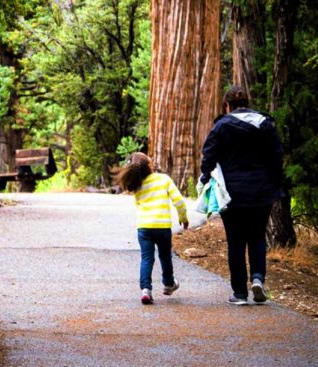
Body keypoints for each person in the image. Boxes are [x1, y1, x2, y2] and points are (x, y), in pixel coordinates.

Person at [199, 86, 283, 305]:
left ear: (227, 106)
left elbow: (208, 155)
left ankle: (239, 293)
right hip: (262, 191)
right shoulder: (265, 124)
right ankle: (257, 278)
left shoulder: (222, 126)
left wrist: (205, 176)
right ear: (247, 102)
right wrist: (275, 184)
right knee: (257, 237)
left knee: (235, 241)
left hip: (232, 192)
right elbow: (277, 156)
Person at [113, 152, 189, 305]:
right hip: (162, 227)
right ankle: (168, 284)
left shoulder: (137, 184)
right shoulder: (163, 179)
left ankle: (146, 290)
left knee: (147, 258)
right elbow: (179, 201)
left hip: (144, 228)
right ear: (149, 165)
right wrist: (183, 218)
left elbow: (138, 205)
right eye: (150, 160)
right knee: (165, 256)